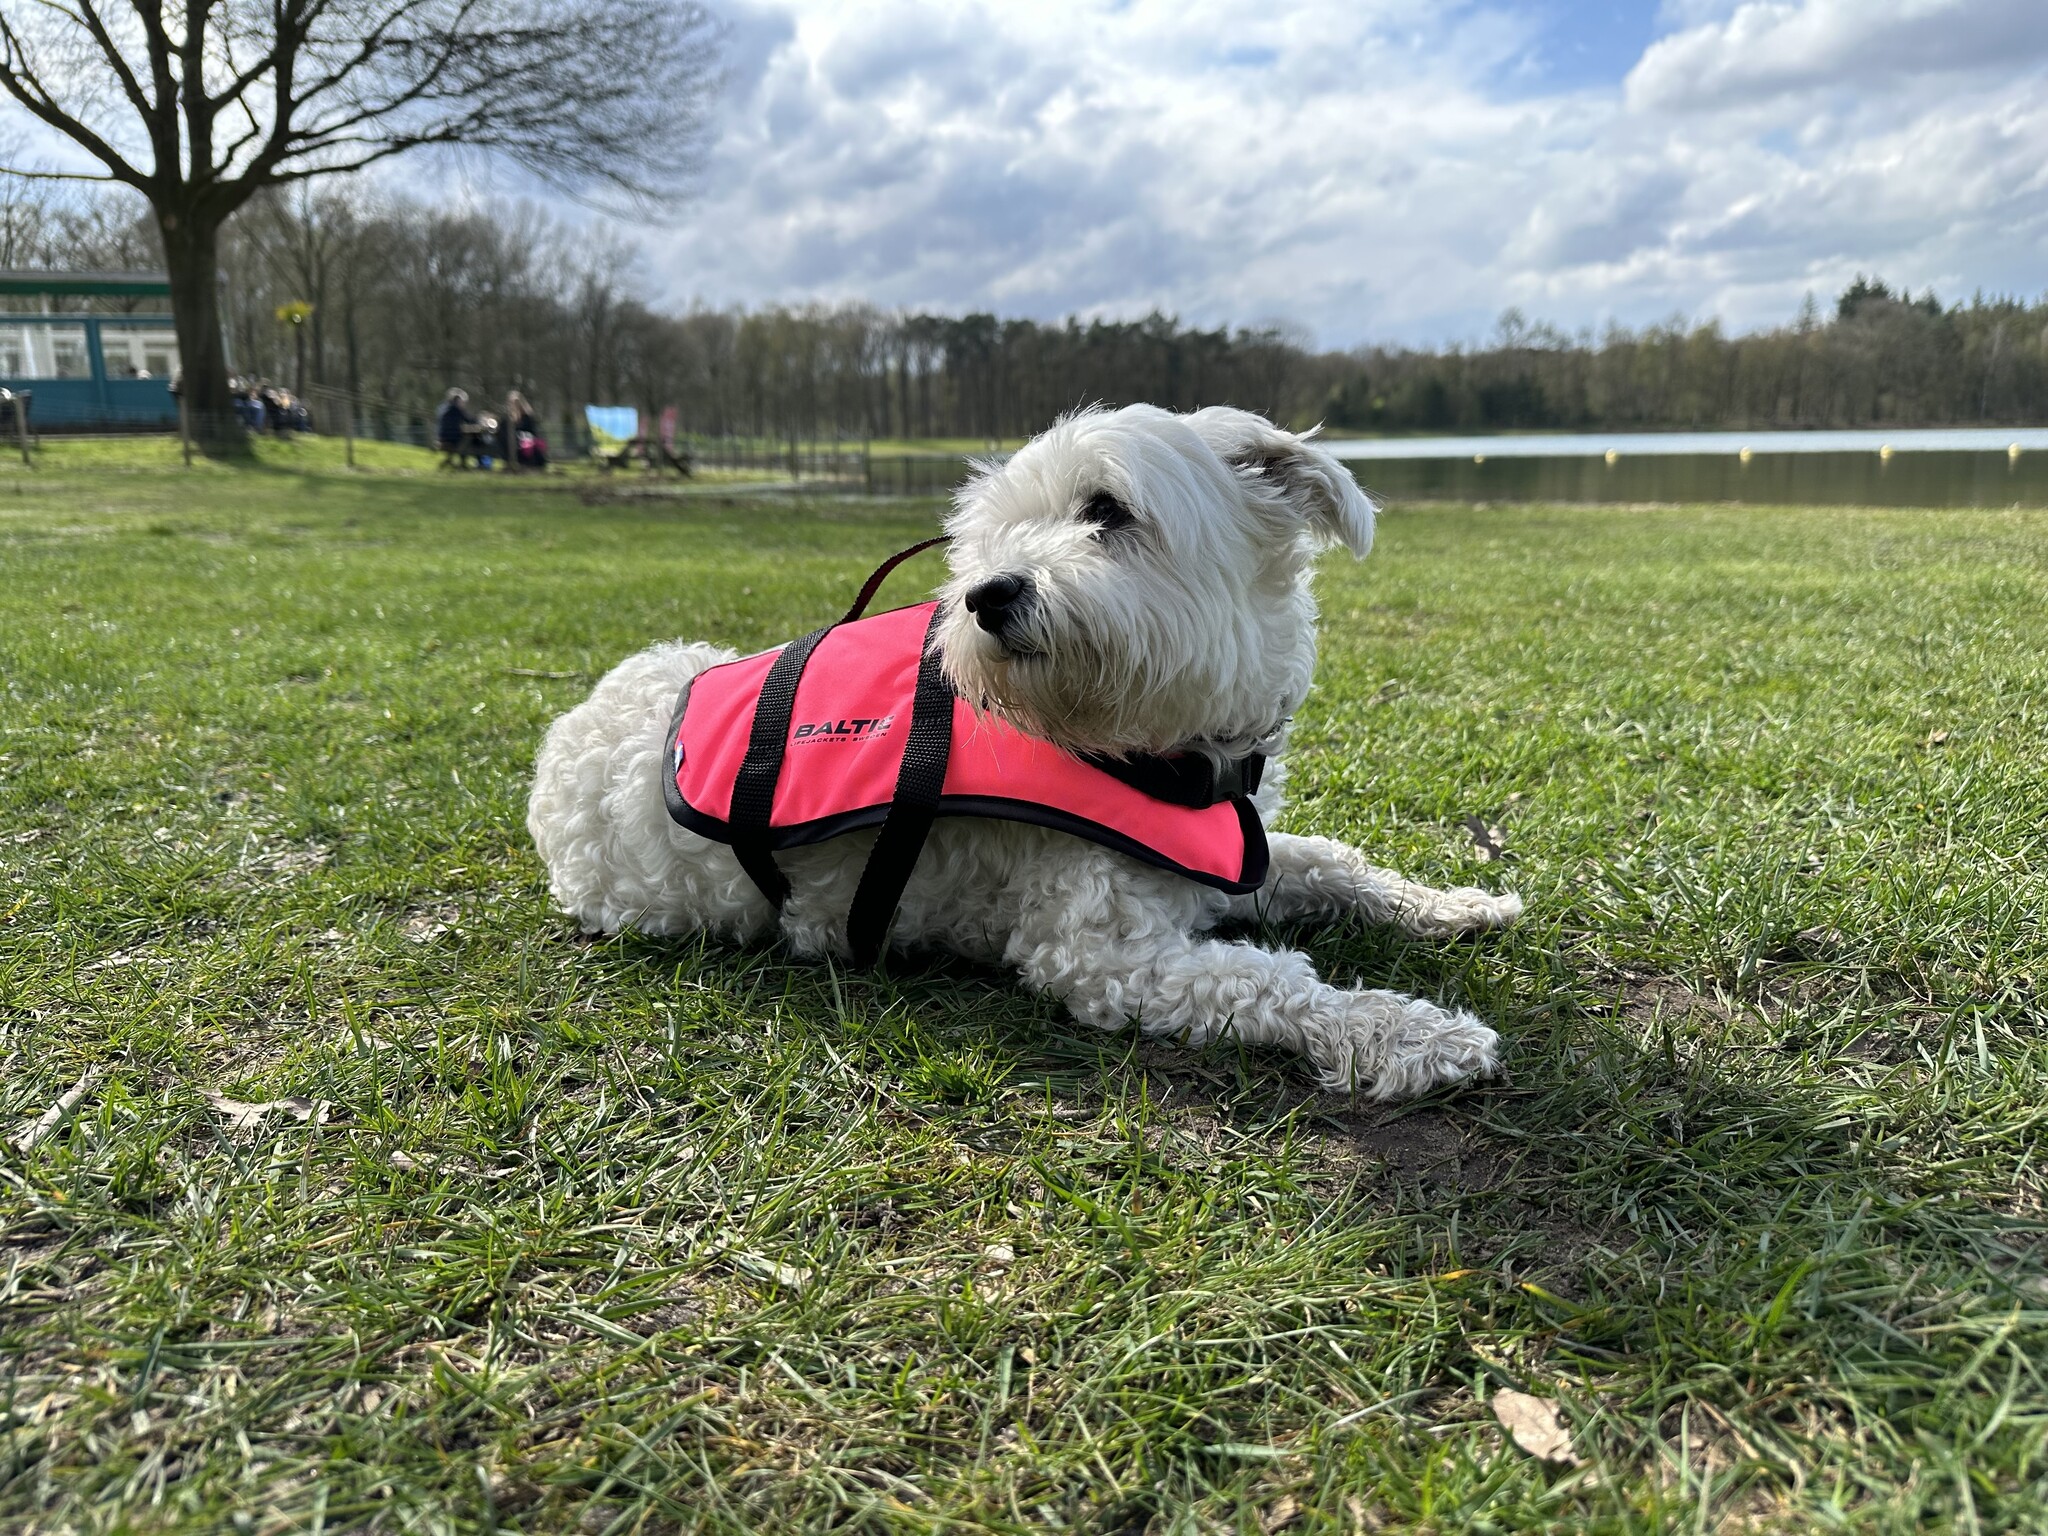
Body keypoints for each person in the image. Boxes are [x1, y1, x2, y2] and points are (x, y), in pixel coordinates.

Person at [503, 389, 548, 470]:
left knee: (533, 447)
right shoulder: (508, 419)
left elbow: (533, 430)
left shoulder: (527, 417)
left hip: (528, 441)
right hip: (516, 442)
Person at [435, 388, 474, 458]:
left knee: (465, 439)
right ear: (458, 401)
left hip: (441, 437)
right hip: (451, 438)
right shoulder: (457, 410)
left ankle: (454, 462)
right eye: (462, 402)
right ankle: (463, 463)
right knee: (468, 439)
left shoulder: (443, 408)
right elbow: (469, 420)